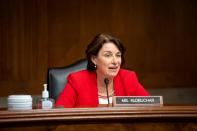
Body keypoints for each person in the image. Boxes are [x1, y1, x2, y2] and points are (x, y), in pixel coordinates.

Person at [56, 33, 150, 108]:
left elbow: (151, 107)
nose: (115, 61)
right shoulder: (77, 80)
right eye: (108, 55)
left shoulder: (128, 78)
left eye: (118, 55)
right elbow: (60, 112)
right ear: (94, 59)